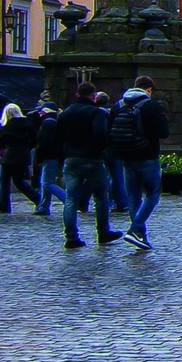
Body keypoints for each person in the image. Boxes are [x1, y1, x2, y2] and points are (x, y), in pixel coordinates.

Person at [55, 88, 122, 249]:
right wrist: (100, 151)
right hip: (92, 159)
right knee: (101, 197)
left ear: (77, 94)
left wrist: (64, 154)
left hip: (71, 159)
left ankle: (71, 237)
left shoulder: (65, 113)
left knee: (71, 199)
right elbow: (101, 134)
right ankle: (103, 232)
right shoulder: (96, 113)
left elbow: (57, 137)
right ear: (93, 96)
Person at [111, 76, 168, 250]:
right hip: (147, 156)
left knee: (133, 196)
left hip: (126, 157)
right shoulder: (151, 106)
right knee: (153, 194)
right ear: (149, 89)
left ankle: (140, 235)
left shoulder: (118, 105)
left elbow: (109, 130)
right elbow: (163, 132)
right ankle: (135, 229)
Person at [0, 103, 40, 214]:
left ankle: (2, 206)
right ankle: (38, 199)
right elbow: (34, 139)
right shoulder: (28, 124)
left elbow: (0, 141)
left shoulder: (6, 126)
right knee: (19, 182)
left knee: (4, 182)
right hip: (23, 155)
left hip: (9, 156)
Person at [32, 99, 68, 216]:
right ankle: (43, 206)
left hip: (49, 156)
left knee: (47, 182)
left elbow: (43, 143)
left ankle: (68, 200)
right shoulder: (56, 121)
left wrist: (39, 157)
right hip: (54, 156)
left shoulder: (47, 123)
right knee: (45, 182)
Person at [98, 92, 131, 214]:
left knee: (114, 177)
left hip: (108, 149)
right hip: (116, 148)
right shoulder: (112, 112)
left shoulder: (102, 114)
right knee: (117, 176)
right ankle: (120, 202)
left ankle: (119, 202)